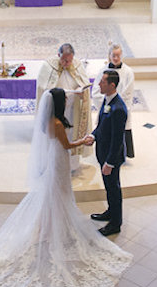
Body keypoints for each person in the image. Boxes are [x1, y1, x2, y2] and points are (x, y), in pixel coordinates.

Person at [0, 89, 132, 287]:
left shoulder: (51, 120)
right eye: (65, 99)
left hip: (56, 158)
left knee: (57, 193)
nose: (67, 100)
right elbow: (67, 146)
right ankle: (55, 226)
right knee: (59, 193)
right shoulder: (57, 124)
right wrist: (84, 140)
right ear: (58, 104)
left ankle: (52, 224)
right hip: (60, 159)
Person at [36, 43, 92, 171]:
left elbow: (84, 83)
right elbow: (43, 89)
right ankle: (52, 164)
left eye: (70, 60)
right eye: (64, 60)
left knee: (72, 133)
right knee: (56, 139)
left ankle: (72, 165)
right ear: (58, 55)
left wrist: (81, 91)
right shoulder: (48, 66)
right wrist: (65, 93)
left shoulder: (76, 65)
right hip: (55, 111)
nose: (67, 63)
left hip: (73, 110)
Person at [86, 70, 128, 236]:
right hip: (103, 152)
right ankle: (110, 212)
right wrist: (93, 135)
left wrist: (109, 163)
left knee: (114, 189)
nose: (99, 84)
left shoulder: (118, 108)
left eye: (102, 82)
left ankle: (115, 223)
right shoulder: (108, 100)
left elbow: (117, 140)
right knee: (109, 188)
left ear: (112, 85)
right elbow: (102, 125)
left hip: (112, 157)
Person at [93, 43, 136, 159]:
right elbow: (96, 90)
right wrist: (107, 102)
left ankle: (122, 154)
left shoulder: (128, 71)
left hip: (120, 107)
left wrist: (116, 102)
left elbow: (128, 92)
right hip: (107, 106)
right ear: (109, 55)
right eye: (113, 55)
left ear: (122, 55)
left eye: (118, 55)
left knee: (120, 131)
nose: (116, 58)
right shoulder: (103, 70)